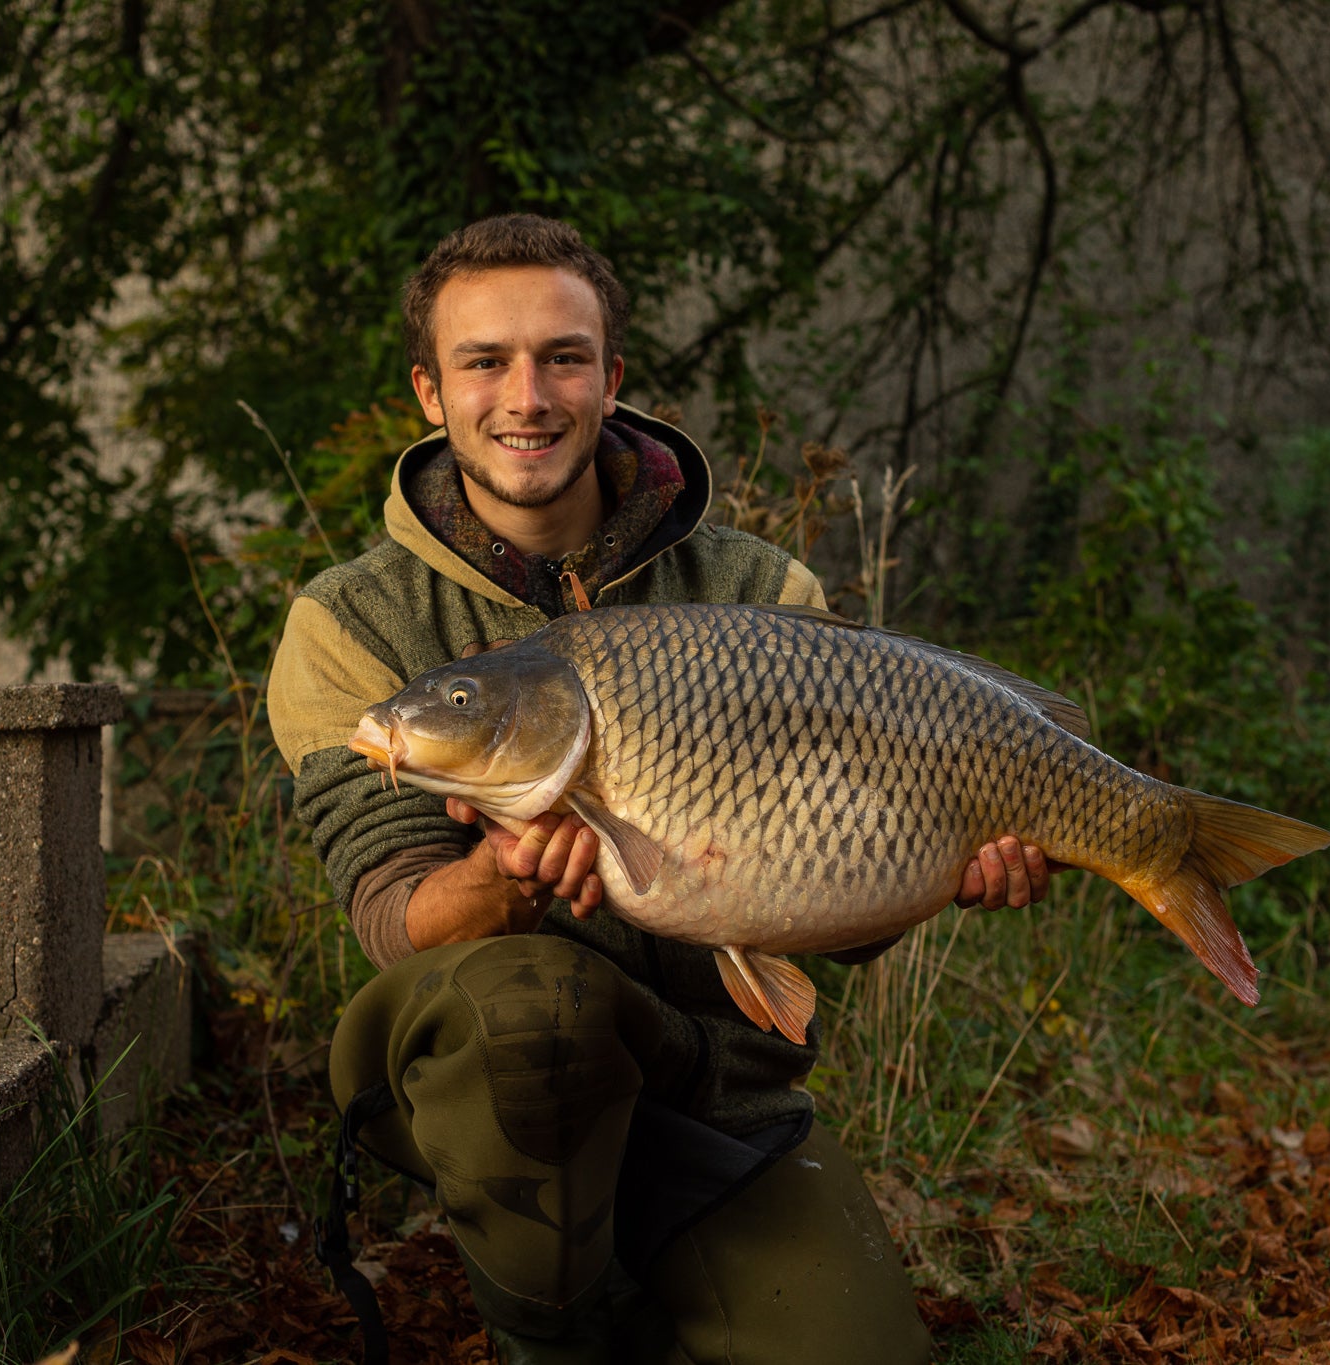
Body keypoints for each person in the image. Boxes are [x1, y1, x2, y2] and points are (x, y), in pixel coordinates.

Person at [268, 215, 1058, 1364]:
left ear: (611, 379)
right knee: (529, 1001)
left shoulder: (754, 588)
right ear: (430, 395)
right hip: (474, 1074)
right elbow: (397, 918)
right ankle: (555, 1337)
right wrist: (502, 875)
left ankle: (670, 1281)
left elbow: (827, 897)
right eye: (484, 361)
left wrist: (950, 865)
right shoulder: (352, 626)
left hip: (716, 1088)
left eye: (563, 357)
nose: (526, 395)